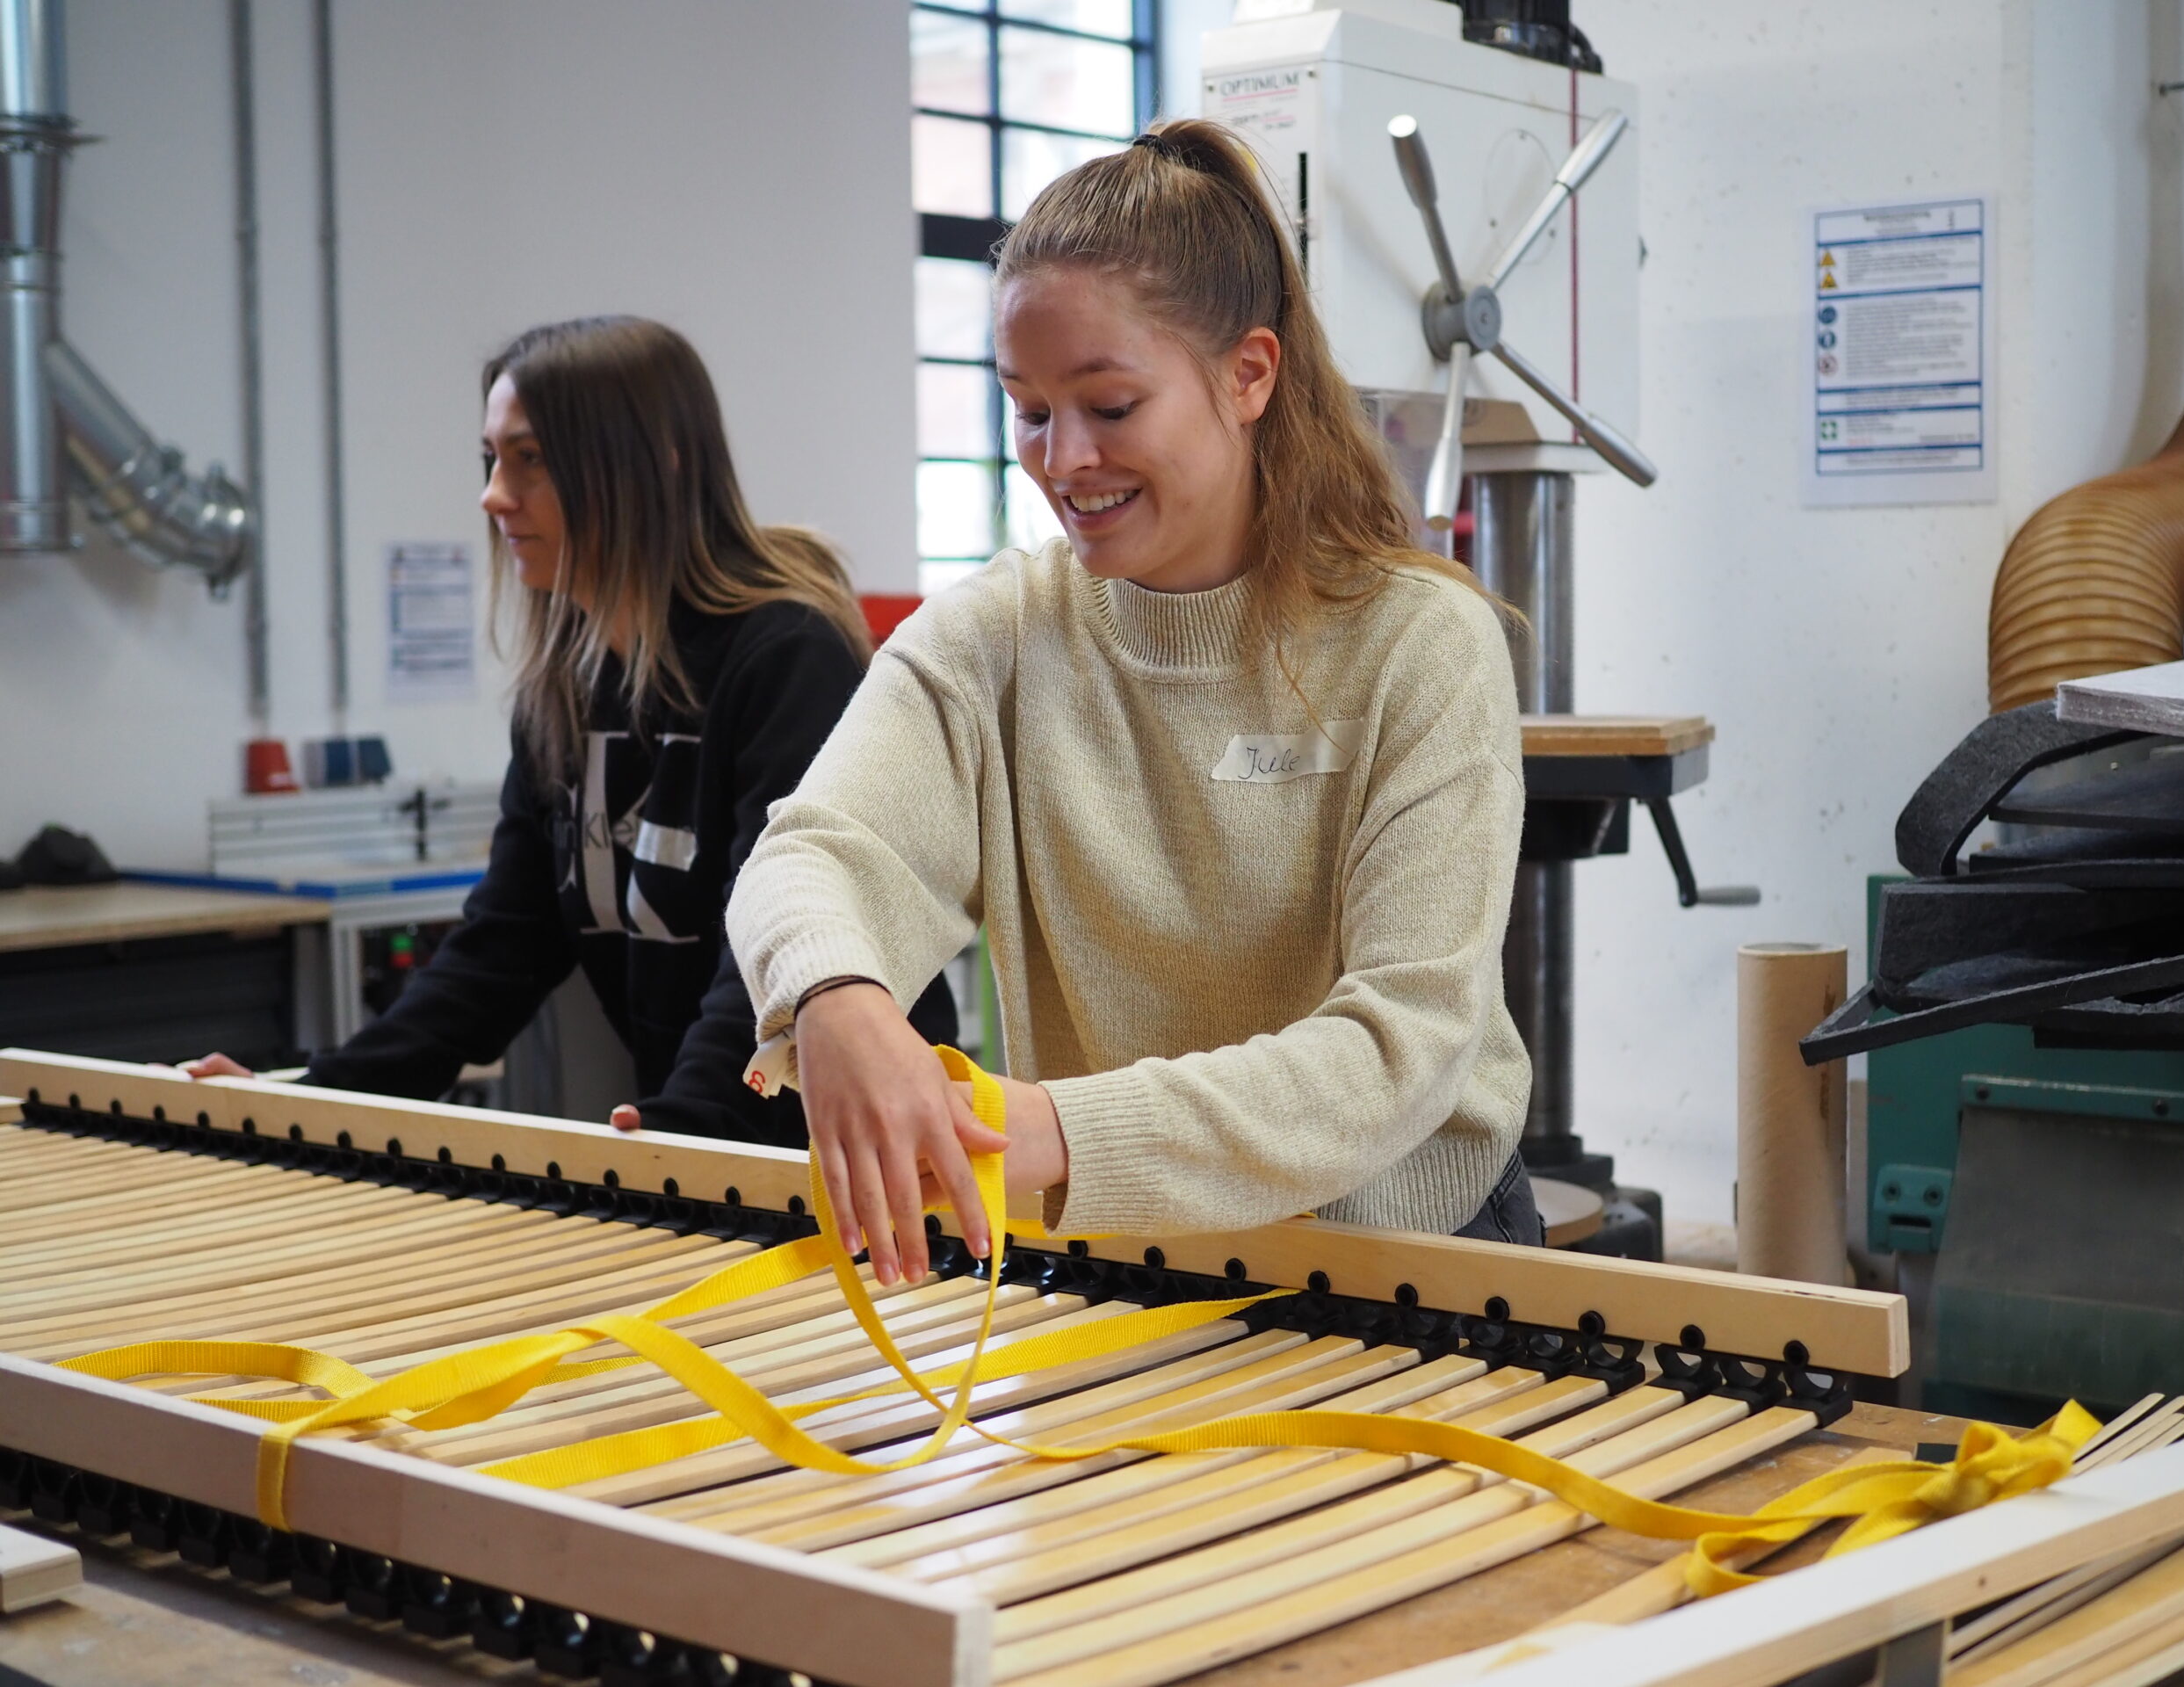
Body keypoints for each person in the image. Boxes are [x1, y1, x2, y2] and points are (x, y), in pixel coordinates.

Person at [727, 119, 1536, 1286]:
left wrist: (1042, 1128)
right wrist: (836, 999)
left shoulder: (1421, 643)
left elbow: (1395, 1051)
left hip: (1406, 1260)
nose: (1062, 459)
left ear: (1249, 375)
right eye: (1028, 409)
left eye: (1109, 407)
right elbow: (817, 850)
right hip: (1134, 1251)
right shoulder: (1000, 632)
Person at [186, 315, 955, 1140]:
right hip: (702, 1145)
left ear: (653, 467)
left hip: (854, 1155)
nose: (492, 495)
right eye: (491, 460)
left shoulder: (785, 656)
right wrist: (313, 1096)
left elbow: (773, 945)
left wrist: (678, 1134)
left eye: (531, 460)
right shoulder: (567, 685)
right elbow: (504, 944)